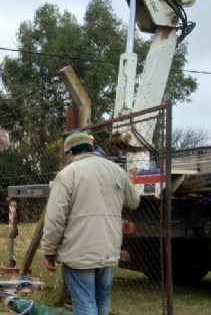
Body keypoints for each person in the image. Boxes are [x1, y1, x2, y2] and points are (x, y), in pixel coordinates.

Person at [41, 131, 139, 315]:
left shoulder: (67, 174)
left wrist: (49, 252)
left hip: (79, 252)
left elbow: (55, 218)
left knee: (84, 301)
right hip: (108, 249)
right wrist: (129, 182)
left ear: (70, 153)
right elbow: (133, 202)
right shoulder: (116, 170)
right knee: (102, 298)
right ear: (91, 149)